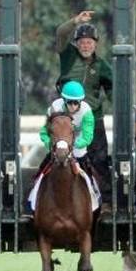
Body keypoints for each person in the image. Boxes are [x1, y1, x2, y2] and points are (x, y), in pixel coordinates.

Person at [54, 11, 112, 202]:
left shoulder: (102, 65)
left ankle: (106, 201)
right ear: (76, 43)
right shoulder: (68, 56)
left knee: (100, 159)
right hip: (66, 118)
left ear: (95, 44)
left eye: (89, 42)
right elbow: (61, 33)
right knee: (55, 155)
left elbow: (112, 88)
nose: (86, 45)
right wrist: (76, 21)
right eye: (82, 42)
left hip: (93, 117)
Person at [28, 81, 98, 212]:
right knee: (40, 174)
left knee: (89, 178)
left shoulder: (87, 111)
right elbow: (44, 132)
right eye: (70, 102)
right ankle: (32, 200)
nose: (73, 106)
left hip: (78, 152)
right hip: (57, 150)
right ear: (64, 100)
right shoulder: (55, 108)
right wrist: (52, 144)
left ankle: (94, 200)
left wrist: (72, 145)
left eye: (76, 103)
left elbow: (88, 135)